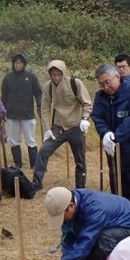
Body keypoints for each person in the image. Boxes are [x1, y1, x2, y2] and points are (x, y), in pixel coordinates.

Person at [91, 64, 130, 233]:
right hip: (113, 152)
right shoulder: (100, 97)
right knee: (119, 190)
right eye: (101, 84)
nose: (106, 87)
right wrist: (105, 134)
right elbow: (97, 116)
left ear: (117, 77)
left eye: (108, 82)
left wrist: (115, 136)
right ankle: (126, 224)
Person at [40, 187, 130, 260]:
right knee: (85, 245)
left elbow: (86, 242)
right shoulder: (67, 205)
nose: (62, 220)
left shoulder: (94, 208)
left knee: (102, 240)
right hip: (108, 226)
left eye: (61, 216)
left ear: (71, 206)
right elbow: (69, 239)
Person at [32, 60, 93, 194]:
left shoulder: (74, 83)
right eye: (53, 75)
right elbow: (45, 109)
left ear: (63, 73)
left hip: (76, 126)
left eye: (59, 74)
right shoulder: (48, 87)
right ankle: (36, 183)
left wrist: (85, 118)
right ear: (50, 75)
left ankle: (80, 188)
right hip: (58, 127)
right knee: (43, 151)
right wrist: (47, 128)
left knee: (80, 160)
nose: (56, 78)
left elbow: (87, 103)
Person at [1, 53, 43, 169]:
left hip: (27, 114)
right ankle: (18, 164)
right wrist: (2, 112)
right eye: (16, 62)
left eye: (20, 63)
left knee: (30, 140)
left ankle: (34, 164)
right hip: (12, 114)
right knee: (14, 140)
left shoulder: (31, 77)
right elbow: (4, 97)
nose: (18, 65)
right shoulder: (8, 78)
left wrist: (40, 106)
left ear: (24, 64)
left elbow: (38, 93)